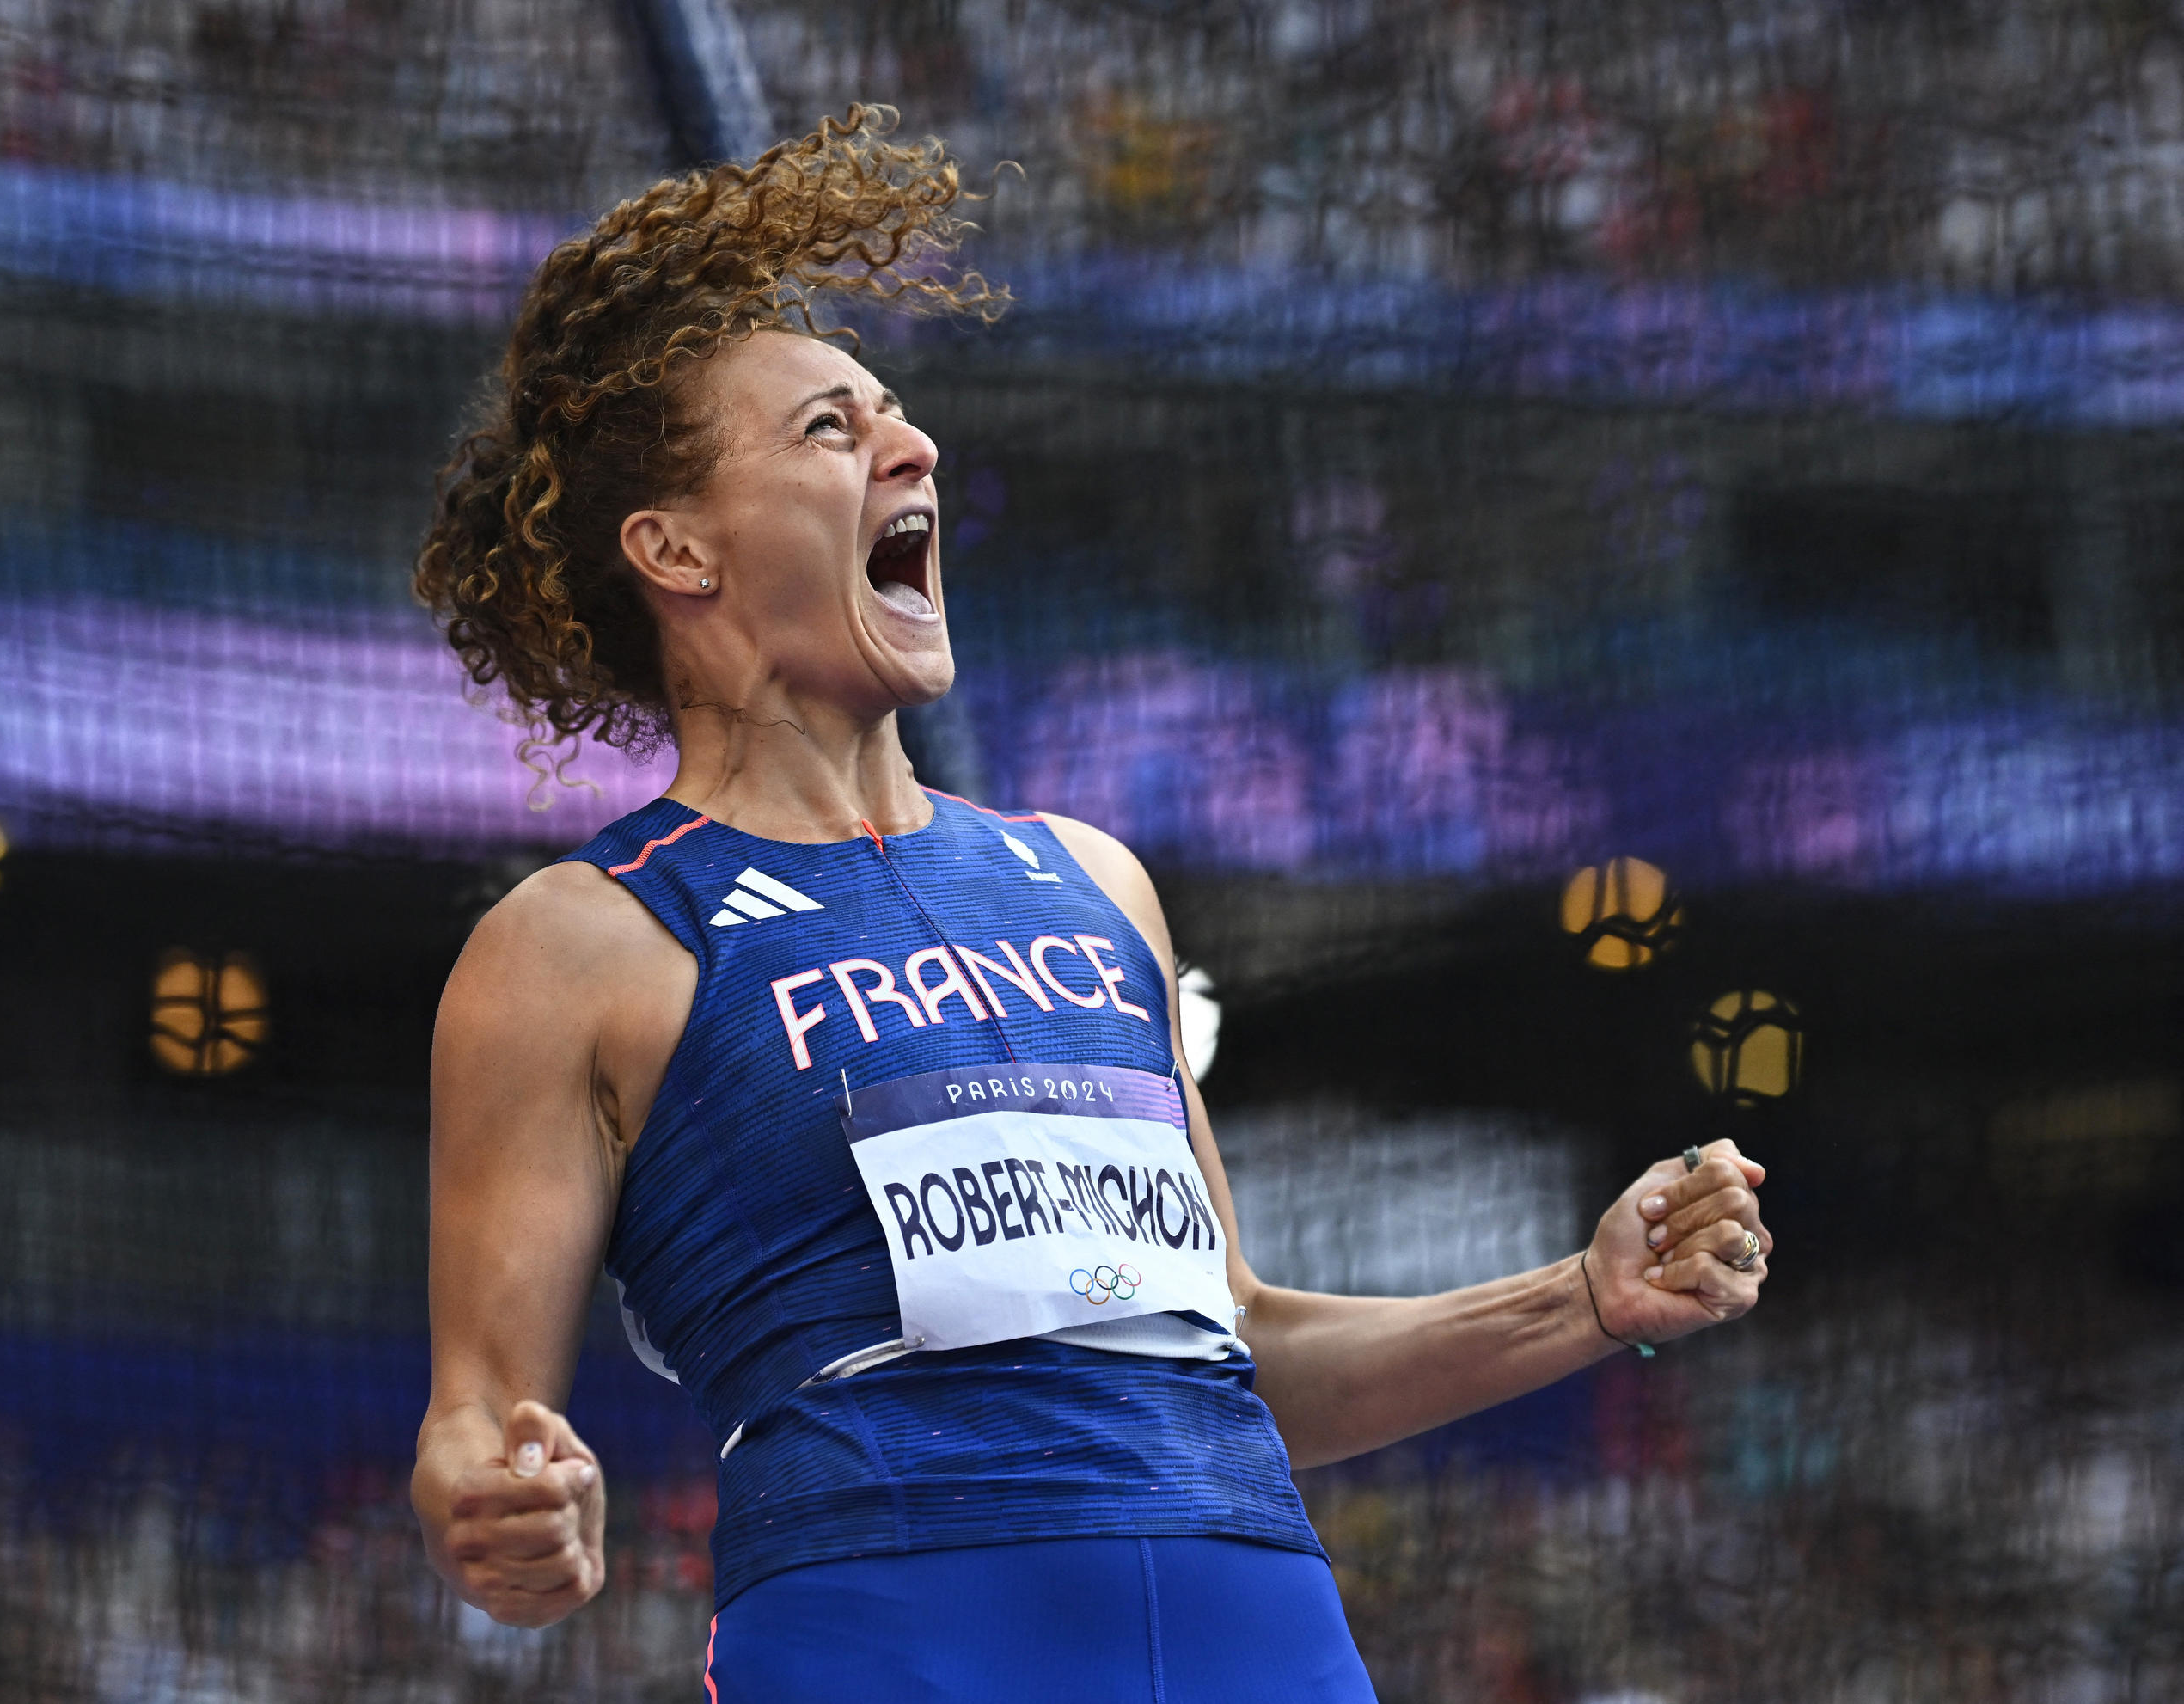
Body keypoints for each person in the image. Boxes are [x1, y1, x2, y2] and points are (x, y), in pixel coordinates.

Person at [408, 108, 1774, 1702]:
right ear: (676, 548)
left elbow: (1237, 1342)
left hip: (1256, 1628)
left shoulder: (1092, 879)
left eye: (899, 416)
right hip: (897, 1634)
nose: (913, 448)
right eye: (832, 432)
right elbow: (470, 1425)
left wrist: (1580, 1300)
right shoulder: (580, 942)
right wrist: (506, 1508)